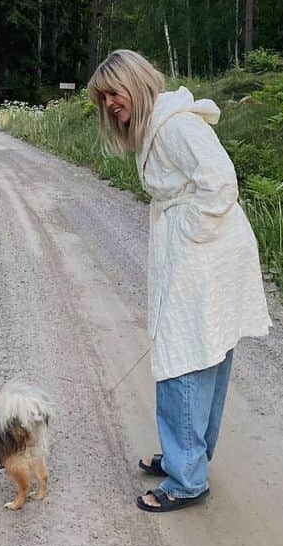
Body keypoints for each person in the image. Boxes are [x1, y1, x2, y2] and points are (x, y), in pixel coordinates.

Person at [86, 49, 271, 512]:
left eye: (115, 92)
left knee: (183, 357)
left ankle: (187, 478)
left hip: (204, 251)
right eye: (103, 97)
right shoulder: (158, 126)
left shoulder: (177, 126)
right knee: (205, 352)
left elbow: (221, 181)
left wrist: (188, 237)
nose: (109, 103)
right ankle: (187, 455)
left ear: (138, 83)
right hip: (205, 252)